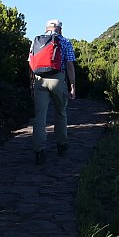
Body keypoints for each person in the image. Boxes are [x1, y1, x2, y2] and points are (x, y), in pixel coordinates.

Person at [29, 19, 76, 165]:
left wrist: (32, 83)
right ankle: (62, 145)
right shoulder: (65, 41)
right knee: (60, 112)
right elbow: (69, 65)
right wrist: (72, 86)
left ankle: (39, 151)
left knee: (40, 116)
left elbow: (30, 63)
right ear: (60, 29)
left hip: (39, 79)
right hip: (57, 79)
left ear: (46, 28)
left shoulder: (36, 40)